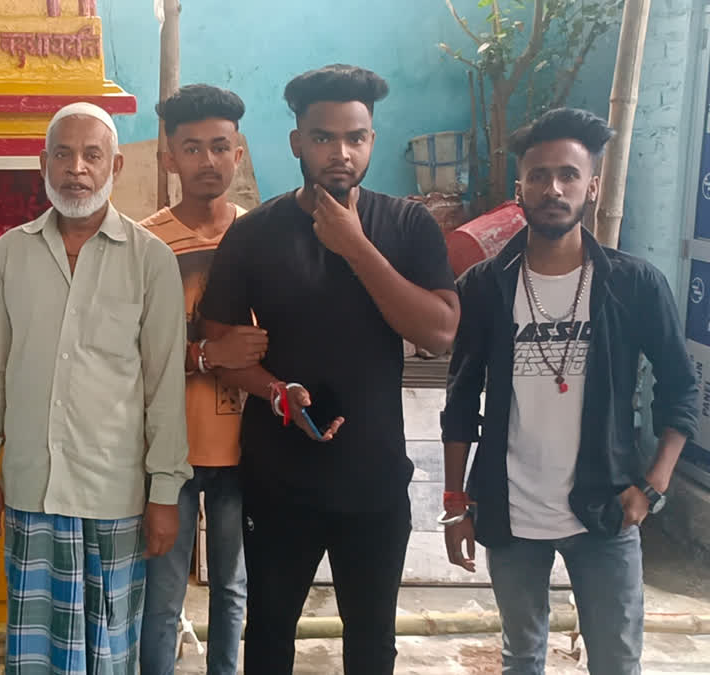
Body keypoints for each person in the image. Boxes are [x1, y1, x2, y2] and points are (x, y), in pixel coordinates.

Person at [197, 64, 460, 674]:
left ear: (372, 139)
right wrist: (274, 392)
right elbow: (221, 346)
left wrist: (355, 245)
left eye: (356, 137)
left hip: (373, 483)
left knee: (371, 644)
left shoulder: (407, 225)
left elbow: (438, 332)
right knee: (267, 638)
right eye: (323, 137)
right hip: (278, 481)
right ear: (297, 142)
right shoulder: (255, 233)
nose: (341, 153)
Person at [441, 107, 699, 675]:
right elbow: (460, 403)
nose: (552, 188)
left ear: (592, 187)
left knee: (615, 659)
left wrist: (652, 488)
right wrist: (456, 503)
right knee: (522, 657)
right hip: (509, 516)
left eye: (568, 175)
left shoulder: (632, 284)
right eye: (538, 176)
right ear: (520, 189)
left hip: (606, 510)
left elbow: (681, 388)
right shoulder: (485, 287)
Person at [0, 102, 192, 674]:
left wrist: (165, 493)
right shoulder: (9, 254)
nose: (77, 169)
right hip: (30, 493)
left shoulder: (151, 261)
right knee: (37, 653)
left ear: (115, 167)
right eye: (63, 154)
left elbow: (164, 388)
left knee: (110, 652)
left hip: (114, 497)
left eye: (92, 155)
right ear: (43, 163)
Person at [138, 84, 258, 675]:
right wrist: (207, 354)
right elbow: (131, 353)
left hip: (247, 449)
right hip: (170, 451)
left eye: (220, 147)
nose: (207, 162)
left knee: (234, 591)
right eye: (192, 149)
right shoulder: (143, 242)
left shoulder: (263, 236)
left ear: (239, 154)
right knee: (161, 597)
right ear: (169, 160)